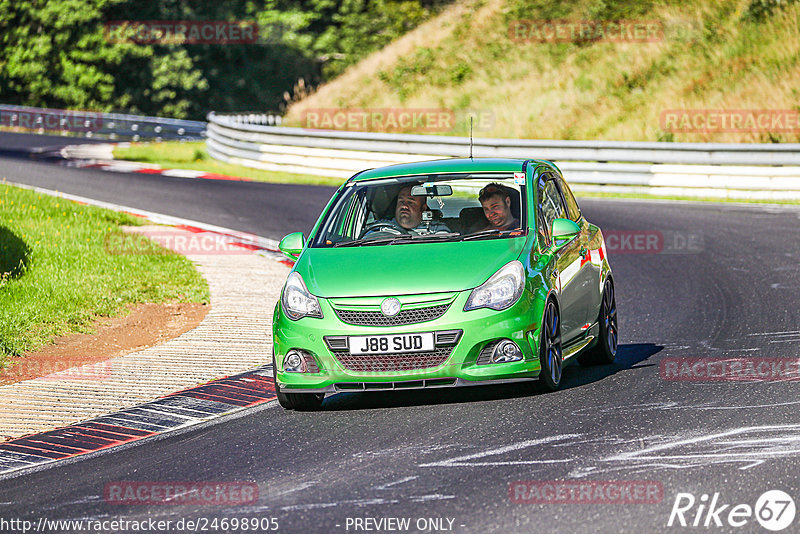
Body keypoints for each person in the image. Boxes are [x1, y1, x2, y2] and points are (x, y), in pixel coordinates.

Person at [364, 183, 450, 236]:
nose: (404, 206)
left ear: (423, 208)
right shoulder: (380, 227)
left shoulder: (436, 230)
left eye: (410, 202)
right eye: (401, 201)